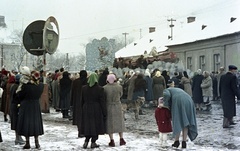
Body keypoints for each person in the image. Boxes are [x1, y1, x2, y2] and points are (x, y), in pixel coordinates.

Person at [162, 80, 198, 149]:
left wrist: (165, 105)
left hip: (179, 101)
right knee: (186, 122)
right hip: (189, 100)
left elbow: (166, 95)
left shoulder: (166, 90)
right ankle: (184, 142)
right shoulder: (178, 89)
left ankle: (176, 141)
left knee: (177, 120)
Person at [17, 70, 44, 149]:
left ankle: (27, 142)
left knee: (26, 124)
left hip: (26, 105)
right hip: (35, 105)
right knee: (35, 123)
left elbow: (19, 95)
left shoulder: (25, 86)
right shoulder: (40, 86)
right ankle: (37, 142)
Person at [79, 73, 106, 149]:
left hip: (86, 107)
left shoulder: (84, 88)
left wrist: (82, 109)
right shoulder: (100, 89)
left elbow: (82, 100)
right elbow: (102, 101)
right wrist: (104, 112)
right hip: (96, 108)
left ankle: (86, 140)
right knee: (95, 125)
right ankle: (93, 141)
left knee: (88, 124)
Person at [103, 74, 126, 147]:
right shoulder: (119, 87)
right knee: (119, 122)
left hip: (109, 105)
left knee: (110, 123)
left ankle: (111, 140)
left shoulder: (104, 88)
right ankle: (121, 138)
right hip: (117, 105)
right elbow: (121, 95)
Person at [9, 74, 25, 145]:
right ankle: (18, 138)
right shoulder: (18, 87)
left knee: (15, 122)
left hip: (13, 105)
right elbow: (19, 97)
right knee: (18, 122)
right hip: (17, 106)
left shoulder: (13, 86)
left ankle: (17, 138)